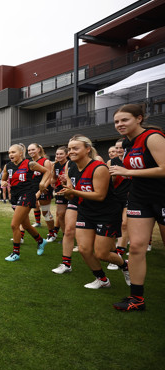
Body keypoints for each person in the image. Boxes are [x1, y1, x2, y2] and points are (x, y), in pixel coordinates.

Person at [109, 104, 165, 311]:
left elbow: (164, 169)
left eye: (124, 120)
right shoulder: (127, 143)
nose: (120, 124)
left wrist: (128, 172)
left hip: (162, 197)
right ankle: (136, 299)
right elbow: (135, 169)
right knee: (136, 246)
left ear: (139, 118)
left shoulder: (153, 137)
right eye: (116, 121)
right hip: (140, 198)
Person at [58, 135, 130, 290]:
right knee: (84, 249)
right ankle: (102, 279)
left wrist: (74, 192)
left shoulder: (99, 167)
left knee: (102, 254)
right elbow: (71, 193)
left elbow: (100, 195)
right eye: (69, 149)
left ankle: (125, 265)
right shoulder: (71, 167)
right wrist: (66, 193)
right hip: (85, 211)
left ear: (88, 149)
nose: (71, 151)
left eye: (75, 148)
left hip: (107, 213)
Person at [1, 144, 50, 261]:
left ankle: (16, 253)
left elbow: (47, 171)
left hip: (27, 195)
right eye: (9, 153)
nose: (10, 155)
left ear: (20, 153)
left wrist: (43, 183)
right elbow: (3, 179)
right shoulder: (7, 166)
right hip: (14, 196)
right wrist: (3, 182)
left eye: (13, 152)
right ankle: (40, 241)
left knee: (14, 225)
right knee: (26, 225)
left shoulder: (30, 164)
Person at [106, 138, 132, 270]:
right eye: (116, 148)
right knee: (113, 224)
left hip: (130, 196)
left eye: (121, 147)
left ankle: (120, 253)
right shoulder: (111, 162)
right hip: (115, 196)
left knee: (124, 224)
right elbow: (109, 181)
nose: (118, 150)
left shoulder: (131, 160)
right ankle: (113, 252)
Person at [28, 143, 57, 241]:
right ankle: (37, 222)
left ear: (39, 150)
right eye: (29, 150)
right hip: (33, 189)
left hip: (44, 189)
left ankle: (52, 233)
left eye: (33, 149)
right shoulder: (29, 162)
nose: (31, 152)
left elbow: (49, 177)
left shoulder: (45, 161)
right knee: (34, 207)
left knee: (45, 212)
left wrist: (40, 191)